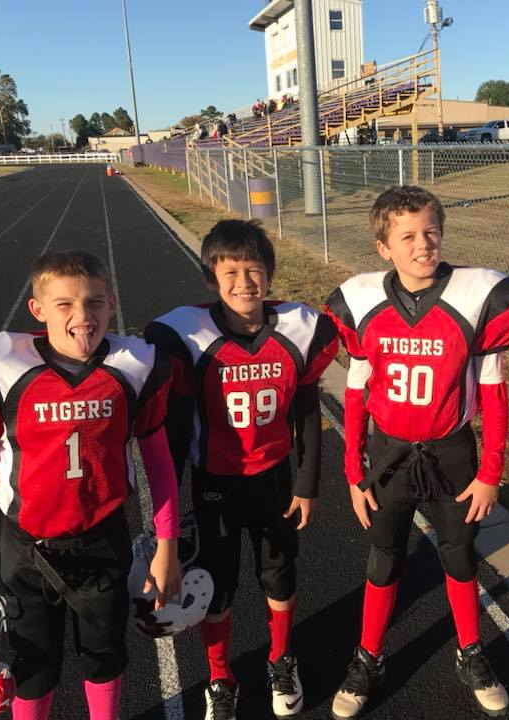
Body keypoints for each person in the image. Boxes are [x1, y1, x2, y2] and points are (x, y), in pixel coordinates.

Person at [0, 250, 181, 720]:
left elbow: (159, 461)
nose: (82, 316)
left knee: (104, 657)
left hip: (101, 540)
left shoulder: (134, 367)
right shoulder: (3, 369)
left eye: (94, 302)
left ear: (112, 303)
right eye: (65, 304)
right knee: (33, 665)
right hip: (26, 547)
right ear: (38, 309)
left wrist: (167, 545)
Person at [324, 186, 509, 719]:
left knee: (459, 552)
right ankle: (369, 655)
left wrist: (491, 471)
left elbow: (495, 394)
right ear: (383, 247)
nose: (423, 244)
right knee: (384, 554)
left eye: (431, 232)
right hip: (388, 454)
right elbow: (355, 394)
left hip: (451, 452)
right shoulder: (364, 303)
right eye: (408, 236)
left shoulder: (475, 297)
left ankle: (470, 649)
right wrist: (353, 472)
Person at [145, 220, 339, 720]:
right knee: (217, 586)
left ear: (270, 274)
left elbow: (307, 411)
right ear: (211, 277)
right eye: (230, 272)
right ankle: (220, 677)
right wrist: (167, 516)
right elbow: (175, 428)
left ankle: (281, 659)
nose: (244, 282)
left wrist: (307, 482)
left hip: (275, 479)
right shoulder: (188, 336)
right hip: (215, 484)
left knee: (280, 575)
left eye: (254, 270)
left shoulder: (297, 330)